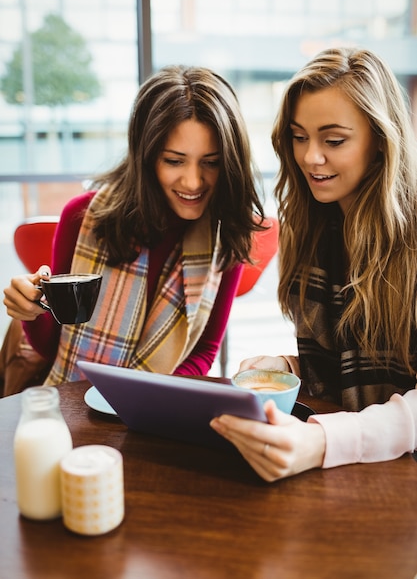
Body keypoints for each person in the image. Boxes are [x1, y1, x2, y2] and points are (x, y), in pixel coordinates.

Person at [210, 46, 417, 481]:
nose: (310, 157)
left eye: (333, 140)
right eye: (299, 136)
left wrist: (323, 441)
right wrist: (287, 369)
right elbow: (355, 370)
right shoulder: (316, 229)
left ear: (381, 141)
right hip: (356, 474)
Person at [2, 65, 265, 394]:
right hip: (73, 404)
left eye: (210, 162)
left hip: (155, 410)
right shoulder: (83, 218)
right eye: (174, 160)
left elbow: (204, 351)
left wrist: (147, 398)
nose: (194, 182)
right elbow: (53, 346)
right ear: (146, 155)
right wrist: (30, 311)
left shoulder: (226, 232)